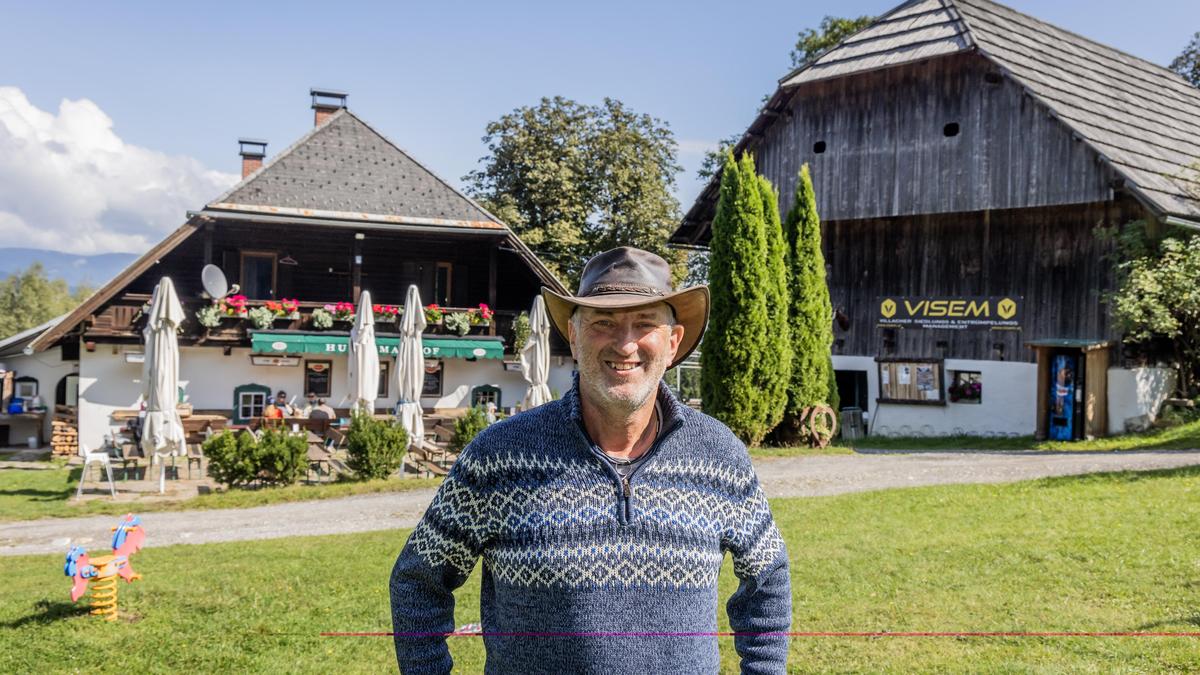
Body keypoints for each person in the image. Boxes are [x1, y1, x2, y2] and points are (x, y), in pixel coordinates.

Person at [390, 247, 791, 673]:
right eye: (603, 323)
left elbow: (767, 579)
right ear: (574, 337)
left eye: (645, 323)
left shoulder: (719, 454)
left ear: (672, 343)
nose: (625, 343)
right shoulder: (499, 456)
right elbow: (418, 581)